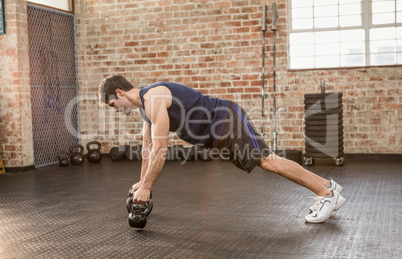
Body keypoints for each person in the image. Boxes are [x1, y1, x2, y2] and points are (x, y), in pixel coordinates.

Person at [98, 74, 346, 223]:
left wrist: (149, 186)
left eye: (112, 104)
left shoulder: (153, 98)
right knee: (267, 160)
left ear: (119, 92)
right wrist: (142, 184)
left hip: (225, 119)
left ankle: (326, 196)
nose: (116, 110)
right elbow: (148, 148)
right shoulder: (144, 110)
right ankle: (327, 187)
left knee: (267, 161)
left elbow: (161, 149)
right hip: (217, 131)